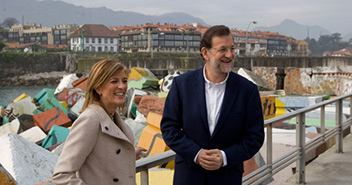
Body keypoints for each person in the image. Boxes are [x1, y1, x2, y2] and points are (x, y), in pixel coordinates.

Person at [160, 25, 264, 185]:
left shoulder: (247, 90)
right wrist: (196, 153)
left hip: (227, 177)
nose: (229, 55)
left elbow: (255, 137)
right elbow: (169, 128)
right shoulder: (182, 85)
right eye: (222, 50)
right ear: (205, 53)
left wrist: (224, 157)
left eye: (232, 49)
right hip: (188, 177)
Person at [52, 59, 146, 185]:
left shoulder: (113, 116)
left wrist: (128, 154)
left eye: (124, 81)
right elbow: (61, 175)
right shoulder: (90, 119)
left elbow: (103, 154)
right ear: (98, 88)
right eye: (114, 81)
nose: (122, 86)